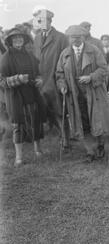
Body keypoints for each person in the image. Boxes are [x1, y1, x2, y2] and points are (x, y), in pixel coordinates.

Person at [56, 25, 109, 163]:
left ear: (84, 37)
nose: (76, 40)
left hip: (94, 93)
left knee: (97, 121)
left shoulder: (94, 51)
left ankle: (100, 146)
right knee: (83, 123)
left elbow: (104, 68)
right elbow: (59, 74)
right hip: (75, 96)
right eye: (73, 37)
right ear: (69, 38)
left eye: (78, 37)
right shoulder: (65, 54)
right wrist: (63, 85)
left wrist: (91, 77)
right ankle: (90, 152)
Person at [0, 28, 46, 166]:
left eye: (20, 38)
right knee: (18, 125)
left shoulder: (29, 55)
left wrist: (40, 79)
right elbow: (2, 81)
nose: (18, 41)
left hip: (32, 94)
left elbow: (38, 72)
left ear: (24, 40)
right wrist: (18, 79)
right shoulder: (6, 58)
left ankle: (38, 150)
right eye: (15, 39)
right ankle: (19, 157)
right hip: (15, 97)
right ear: (10, 42)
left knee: (35, 121)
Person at [33, 9, 70, 150]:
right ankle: (43, 143)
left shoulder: (61, 38)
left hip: (55, 81)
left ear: (51, 21)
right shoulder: (37, 38)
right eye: (40, 20)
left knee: (59, 112)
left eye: (46, 20)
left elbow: (66, 61)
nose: (44, 23)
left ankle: (65, 142)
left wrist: (62, 80)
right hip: (40, 82)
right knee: (45, 113)